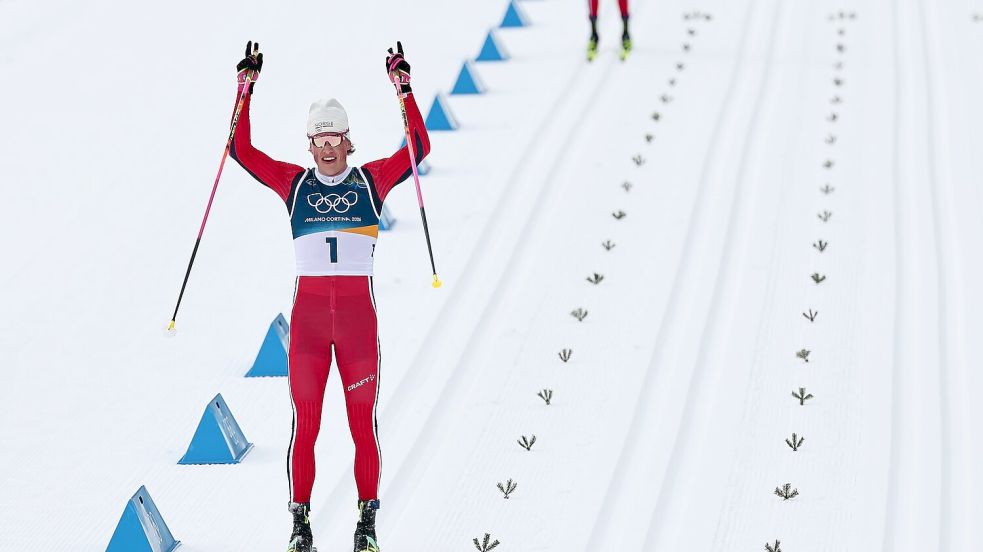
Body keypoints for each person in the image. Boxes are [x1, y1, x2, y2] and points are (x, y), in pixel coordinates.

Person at [230, 40, 430, 552]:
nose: (325, 147)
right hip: (311, 326)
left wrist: (403, 88)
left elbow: (419, 147)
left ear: (347, 140)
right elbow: (241, 151)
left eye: (334, 137)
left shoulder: (372, 181)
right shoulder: (294, 185)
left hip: (359, 322)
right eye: (317, 138)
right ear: (309, 144)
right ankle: (300, 526)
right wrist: (244, 90)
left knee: (363, 424)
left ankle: (367, 524)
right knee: (308, 424)